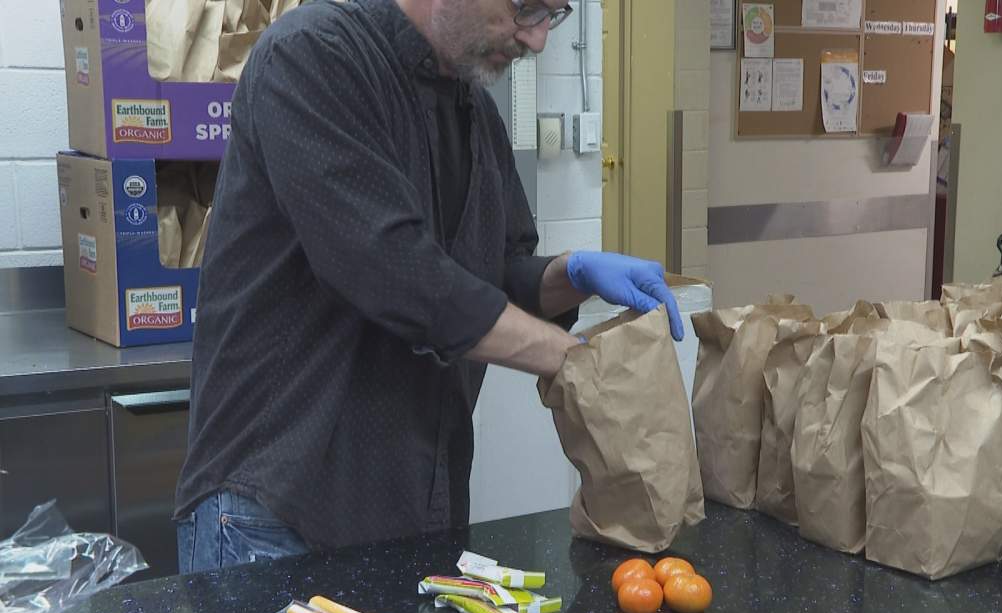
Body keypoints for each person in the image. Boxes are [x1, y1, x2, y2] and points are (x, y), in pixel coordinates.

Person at [173, 0, 685, 572]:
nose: (537, 39)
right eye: (527, 8)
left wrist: (570, 275)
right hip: (280, 514)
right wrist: (576, 360)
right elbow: (394, 273)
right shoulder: (314, 56)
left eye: (554, 15)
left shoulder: (474, 111)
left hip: (411, 511)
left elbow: (490, 279)